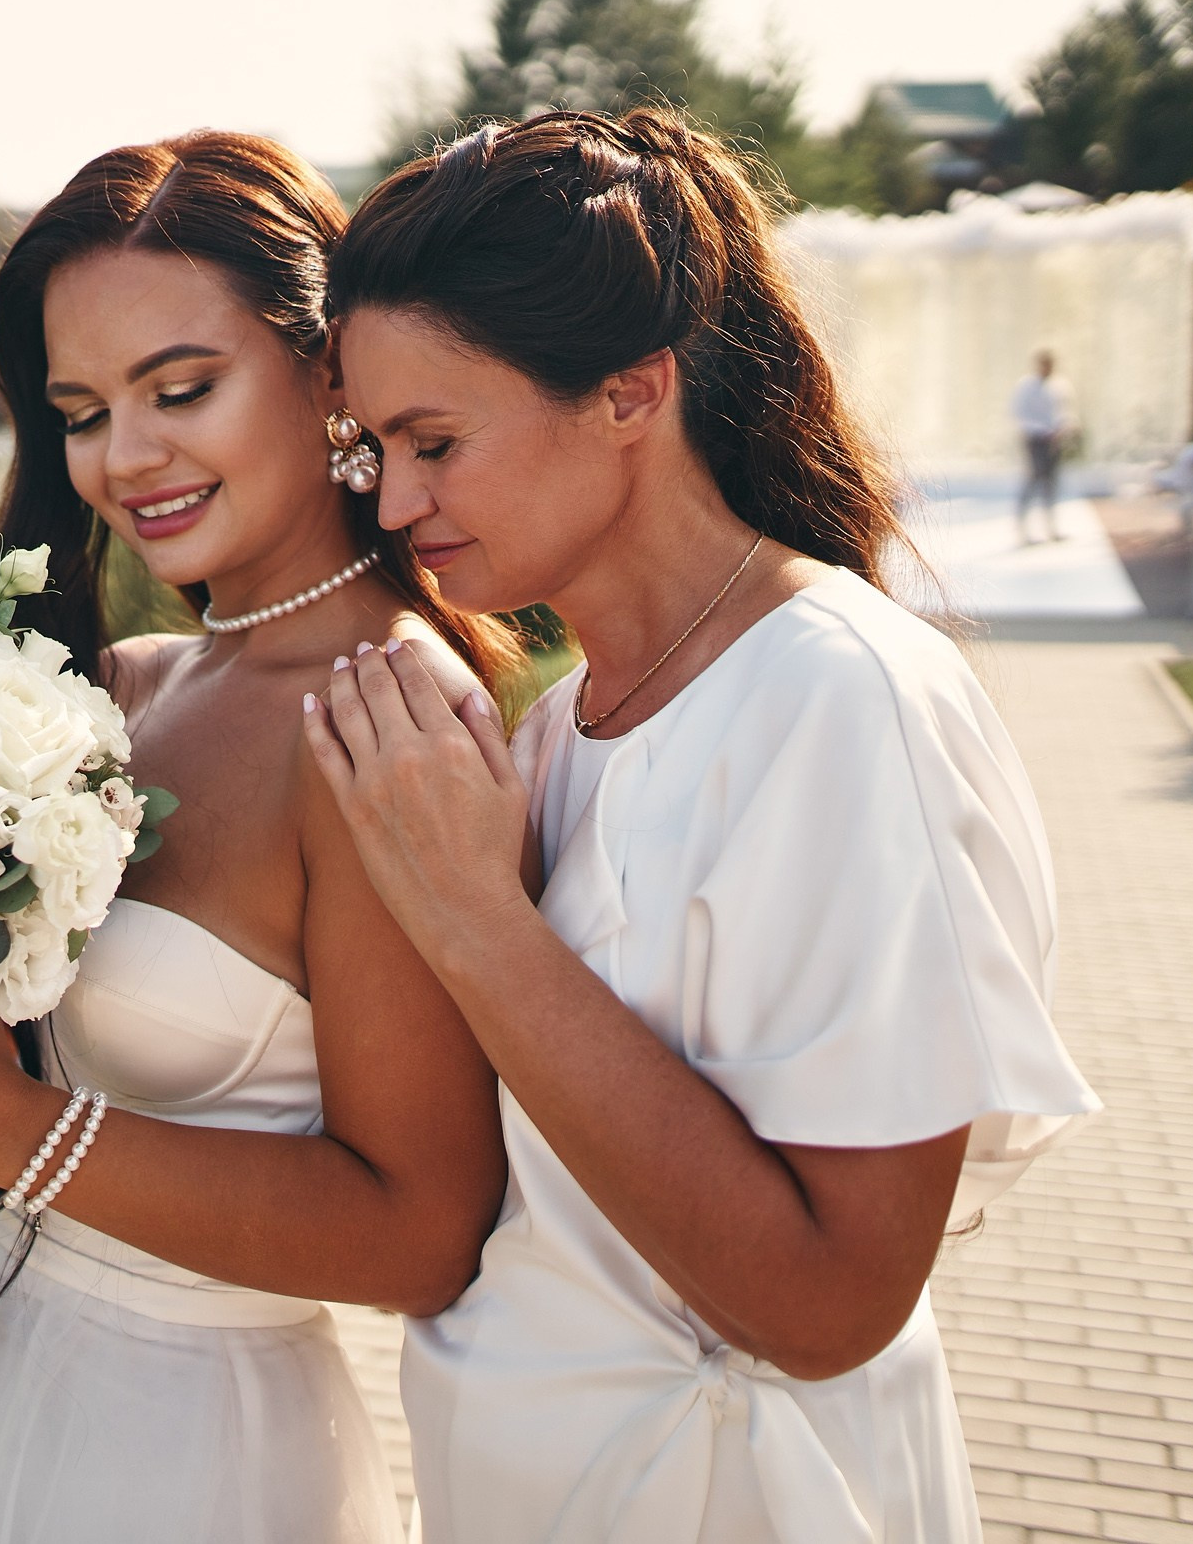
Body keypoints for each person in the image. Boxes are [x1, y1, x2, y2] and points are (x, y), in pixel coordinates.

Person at [301, 108, 1101, 1542]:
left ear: (629, 392)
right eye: (374, 445)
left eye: (434, 439)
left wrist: (475, 920)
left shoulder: (839, 700)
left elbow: (833, 1299)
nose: (395, 498)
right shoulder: (553, 733)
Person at [0, 133, 516, 1544]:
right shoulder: (108, 690)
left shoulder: (391, 721)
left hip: (181, 1452)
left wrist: (7, 1128)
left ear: (326, 370)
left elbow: (423, 1229)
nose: (127, 456)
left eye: (182, 389)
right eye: (83, 408)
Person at [1011, 349, 1074, 544]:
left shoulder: (1060, 385)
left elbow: (1066, 410)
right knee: (1033, 480)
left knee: (1051, 483)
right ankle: (1023, 529)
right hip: (1035, 439)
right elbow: (1020, 415)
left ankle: (1051, 528)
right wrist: (1043, 430)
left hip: (1054, 440)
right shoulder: (1026, 386)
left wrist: (1064, 428)